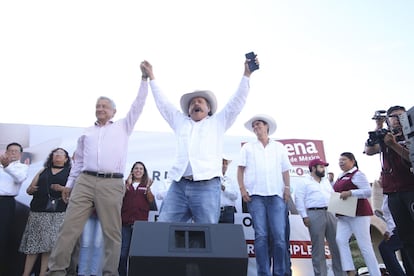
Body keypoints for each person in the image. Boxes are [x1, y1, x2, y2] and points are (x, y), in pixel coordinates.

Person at [47, 63, 150, 275]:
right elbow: (78, 163)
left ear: (113, 111)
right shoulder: (87, 133)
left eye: (104, 106)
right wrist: (69, 185)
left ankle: (109, 273)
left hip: (111, 182)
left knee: (111, 232)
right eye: (98, 106)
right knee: (69, 228)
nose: (100, 108)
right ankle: (57, 270)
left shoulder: (123, 126)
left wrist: (144, 79)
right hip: (85, 181)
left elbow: (138, 104)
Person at [140, 56, 259, 224]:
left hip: (207, 186)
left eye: (200, 102)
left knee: (207, 233)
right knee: (164, 228)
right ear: (188, 111)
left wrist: (246, 74)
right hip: (179, 186)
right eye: (192, 103)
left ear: (208, 108)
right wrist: (152, 77)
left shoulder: (218, 122)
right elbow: (163, 104)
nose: (196, 103)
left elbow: (237, 101)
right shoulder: (180, 122)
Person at [237, 114, 292, 276]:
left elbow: (285, 170)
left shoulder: (279, 147)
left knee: (280, 238)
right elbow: (240, 169)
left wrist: (287, 187)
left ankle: (279, 273)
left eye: (259, 124)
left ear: (267, 127)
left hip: (276, 196)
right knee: (261, 236)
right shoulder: (247, 147)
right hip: (256, 197)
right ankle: (263, 273)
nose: (256, 127)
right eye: (254, 125)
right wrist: (242, 189)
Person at [364, 105, 414, 275]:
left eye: (401, 116)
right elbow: (369, 150)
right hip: (393, 193)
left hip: (410, 189)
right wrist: (378, 128)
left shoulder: (410, 135)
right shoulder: (385, 137)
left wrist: (393, 145)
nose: (397, 120)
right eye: (393, 117)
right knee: (406, 238)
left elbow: (410, 157)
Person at [20, 148, 71, 276]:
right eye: (55, 153)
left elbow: (74, 192)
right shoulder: (43, 170)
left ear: (66, 159)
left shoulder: (70, 173)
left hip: (57, 213)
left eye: (61, 154)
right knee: (33, 246)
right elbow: (29, 189)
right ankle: (25, 274)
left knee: (49, 247)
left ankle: (43, 274)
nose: (58, 156)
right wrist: (31, 189)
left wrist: (62, 189)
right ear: (51, 157)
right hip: (38, 211)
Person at [333, 152, 380, 276]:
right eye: (339, 160)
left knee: (364, 245)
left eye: (343, 160)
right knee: (340, 239)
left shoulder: (357, 174)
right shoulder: (340, 176)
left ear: (352, 161)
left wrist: (351, 193)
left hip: (359, 214)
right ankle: (350, 270)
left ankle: (375, 273)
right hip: (344, 214)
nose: (341, 162)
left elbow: (367, 192)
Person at [295, 158, 344, 276]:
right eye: (321, 167)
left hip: (330, 212)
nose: (323, 169)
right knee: (318, 248)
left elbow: (332, 195)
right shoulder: (304, 181)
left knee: (337, 245)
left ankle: (340, 273)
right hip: (314, 213)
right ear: (313, 168)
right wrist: (304, 216)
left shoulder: (326, 181)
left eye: (324, 167)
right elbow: (299, 199)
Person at [118, 161, 154, 276]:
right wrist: (126, 186)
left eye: (141, 169)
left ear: (144, 172)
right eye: (136, 168)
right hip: (125, 224)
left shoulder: (146, 185)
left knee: (137, 254)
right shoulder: (125, 185)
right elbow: (119, 199)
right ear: (132, 171)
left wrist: (148, 188)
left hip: (140, 225)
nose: (138, 170)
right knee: (123, 254)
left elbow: (151, 200)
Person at [0, 142, 29, 275]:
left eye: (15, 151)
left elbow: (19, 178)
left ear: (20, 154)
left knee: (3, 235)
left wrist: (7, 166)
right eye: (10, 150)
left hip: (5, 203)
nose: (12, 153)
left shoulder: (22, 167)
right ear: (5, 152)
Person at [378, 194, 407, 276]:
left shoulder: (394, 194)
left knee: (385, 248)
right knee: (404, 251)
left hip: (402, 226)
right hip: (394, 228)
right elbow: (389, 216)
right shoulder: (385, 196)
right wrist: (388, 231)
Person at [77, 212, 104, 276]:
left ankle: (94, 273)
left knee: (97, 244)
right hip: (89, 211)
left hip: (104, 213)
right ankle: (81, 273)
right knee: (86, 243)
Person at [219, 156, 238, 224]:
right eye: (222, 163)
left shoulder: (230, 180)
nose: (224, 166)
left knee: (229, 233)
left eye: (226, 164)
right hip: (215, 211)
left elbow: (235, 196)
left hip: (228, 211)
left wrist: (224, 189)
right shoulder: (212, 180)